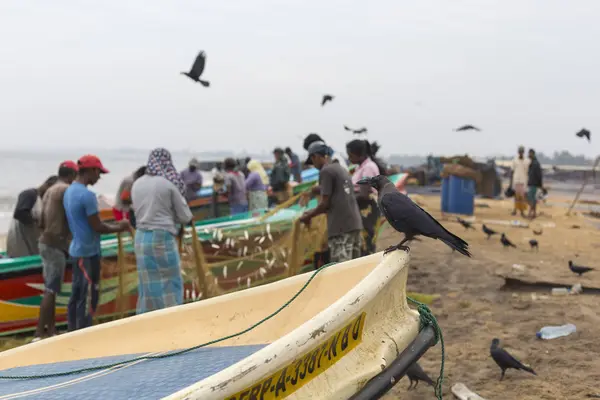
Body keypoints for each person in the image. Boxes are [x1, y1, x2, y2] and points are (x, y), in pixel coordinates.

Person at [63, 155, 131, 331]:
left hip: (76, 250)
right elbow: (97, 226)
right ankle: (83, 333)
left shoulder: (69, 191)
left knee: (76, 295)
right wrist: (120, 227)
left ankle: (72, 331)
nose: (99, 177)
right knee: (88, 296)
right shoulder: (87, 196)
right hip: (87, 253)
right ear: (91, 171)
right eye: (99, 173)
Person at [131, 148, 193, 315]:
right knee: (170, 283)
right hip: (162, 238)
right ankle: (171, 321)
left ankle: (148, 321)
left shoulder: (137, 183)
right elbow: (185, 216)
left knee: (147, 285)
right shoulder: (166, 184)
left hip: (140, 238)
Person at [33, 161, 78, 340]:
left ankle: (51, 330)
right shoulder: (65, 190)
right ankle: (38, 333)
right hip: (55, 245)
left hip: (44, 242)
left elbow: (41, 220)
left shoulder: (49, 189)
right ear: (72, 175)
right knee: (51, 289)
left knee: (51, 288)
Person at [300, 142, 363, 263]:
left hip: (341, 228)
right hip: (355, 225)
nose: (313, 164)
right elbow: (334, 191)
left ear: (316, 156)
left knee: (341, 270)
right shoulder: (341, 168)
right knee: (355, 269)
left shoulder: (326, 172)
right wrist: (314, 191)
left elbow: (325, 204)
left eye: (312, 160)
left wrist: (308, 216)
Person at [6, 175, 58, 258]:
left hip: (33, 241)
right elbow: (20, 213)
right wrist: (39, 224)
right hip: (20, 240)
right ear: (47, 185)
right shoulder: (29, 194)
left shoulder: (45, 200)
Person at [346, 139, 381, 256]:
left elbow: (364, 195)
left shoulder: (368, 168)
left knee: (366, 241)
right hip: (362, 208)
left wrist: (345, 200)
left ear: (359, 154)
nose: (349, 158)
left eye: (350, 155)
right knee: (363, 242)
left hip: (367, 208)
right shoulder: (361, 167)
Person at [510, 146, 530, 217]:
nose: (521, 152)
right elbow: (512, 171)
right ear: (518, 152)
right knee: (516, 197)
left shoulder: (527, 161)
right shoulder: (514, 160)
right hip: (516, 181)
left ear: (523, 152)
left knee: (522, 197)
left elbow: (528, 172)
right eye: (520, 151)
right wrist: (510, 183)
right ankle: (515, 210)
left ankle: (522, 212)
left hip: (523, 181)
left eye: (522, 151)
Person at [527, 148, 543, 219]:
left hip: (534, 183)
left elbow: (539, 175)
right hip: (531, 183)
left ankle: (531, 213)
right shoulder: (532, 162)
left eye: (530, 153)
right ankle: (534, 213)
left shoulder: (536, 163)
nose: (529, 155)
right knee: (533, 199)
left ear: (532, 154)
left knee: (531, 199)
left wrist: (540, 184)